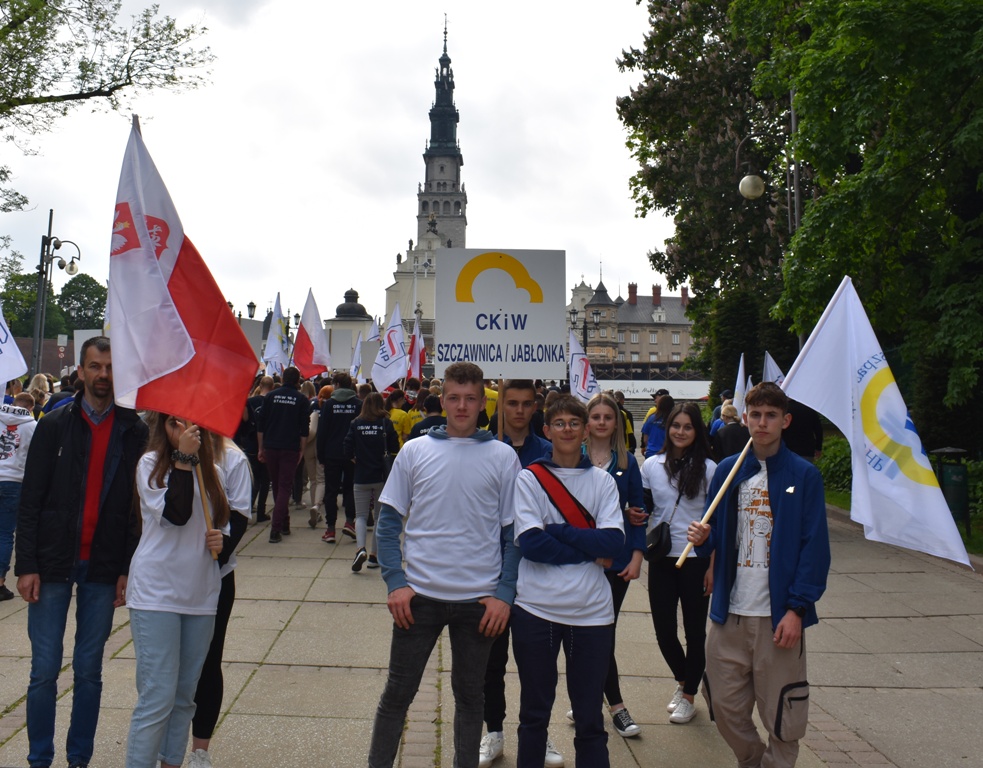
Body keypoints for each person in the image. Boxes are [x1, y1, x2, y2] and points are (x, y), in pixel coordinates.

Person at [368, 362, 521, 768]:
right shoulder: (415, 450)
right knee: (397, 694)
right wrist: (395, 582)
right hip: (418, 598)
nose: (462, 406)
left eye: (471, 398)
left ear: (482, 401)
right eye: (454, 397)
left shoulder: (503, 456)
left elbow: (513, 535)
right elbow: (387, 523)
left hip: (479, 602)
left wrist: (504, 594)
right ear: (442, 399)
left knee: (471, 698)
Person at [16, 336, 149, 768]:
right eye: (95, 366)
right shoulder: (54, 424)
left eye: (110, 368)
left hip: (104, 565)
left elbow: (137, 506)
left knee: (89, 671)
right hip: (52, 563)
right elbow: (31, 499)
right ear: (81, 369)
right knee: (44, 672)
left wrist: (128, 567)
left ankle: (79, 758)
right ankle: (40, 758)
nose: (103, 375)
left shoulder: (134, 430)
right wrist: (27, 565)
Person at [687, 382, 831, 768]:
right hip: (729, 612)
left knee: (784, 714)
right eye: (755, 415)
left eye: (770, 416)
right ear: (745, 417)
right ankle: (753, 761)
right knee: (723, 703)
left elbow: (814, 549)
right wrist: (704, 538)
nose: (762, 423)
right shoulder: (728, 471)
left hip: (777, 616)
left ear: (785, 421)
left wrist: (797, 609)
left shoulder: (804, 476)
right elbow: (716, 533)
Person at [511, 395, 624, 768]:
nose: (567, 430)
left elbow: (614, 542)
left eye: (575, 423)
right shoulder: (529, 478)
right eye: (559, 423)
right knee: (534, 714)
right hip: (535, 610)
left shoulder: (603, 481)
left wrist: (557, 530)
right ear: (546, 430)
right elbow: (531, 544)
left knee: (590, 718)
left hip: (591, 614)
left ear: (587, 429)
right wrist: (590, 550)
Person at [125, 414, 228, 768]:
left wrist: (222, 539)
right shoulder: (151, 464)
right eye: (174, 423)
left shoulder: (212, 467)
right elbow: (176, 515)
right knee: (157, 697)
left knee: (185, 696)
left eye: (190, 423)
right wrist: (184, 460)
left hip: (200, 594)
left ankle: (171, 762)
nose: (183, 430)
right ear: (161, 427)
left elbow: (221, 522)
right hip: (157, 593)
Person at [477, 380, 559, 768]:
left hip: (535, 569)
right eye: (513, 403)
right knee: (491, 660)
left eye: (527, 404)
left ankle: (536, 734)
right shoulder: (482, 447)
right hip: (491, 567)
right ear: (501, 405)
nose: (520, 411)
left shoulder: (549, 452)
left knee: (535, 662)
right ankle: (493, 730)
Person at [572, 392, 645, 738]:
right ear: (587, 422)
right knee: (580, 634)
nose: (601, 422)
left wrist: (637, 555)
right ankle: (588, 698)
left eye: (608, 417)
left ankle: (616, 706)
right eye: (595, 416)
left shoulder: (627, 462)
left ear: (617, 422)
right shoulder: (572, 458)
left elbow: (640, 513)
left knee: (604, 632)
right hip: (580, 559)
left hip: (616, 562)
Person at [641, 402, 717, 724]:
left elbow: (718, 521)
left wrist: (712, 565)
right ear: (667, 427)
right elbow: (645, 507)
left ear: (696, 431)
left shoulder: (710, 469)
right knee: (663, 631)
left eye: (688, 426)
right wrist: (635, 514)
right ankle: (687, 679)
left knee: (695, 631)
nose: (681, 432)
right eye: (676, 426)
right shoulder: (651, 466)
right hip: (661, 558)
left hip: (696, 559)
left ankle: (688, 697)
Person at [188, 434, 253, 768]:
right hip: (169, 577)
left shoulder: (232, 457)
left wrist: (220, 550)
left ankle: (200, 749)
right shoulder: (160, 452)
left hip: (216, 576)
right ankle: (167, 742)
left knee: (208, 662)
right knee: (169, 668)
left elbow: (240, 514)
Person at [342, 393, 399, 572]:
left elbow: (347, 448)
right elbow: (395, 447)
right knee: (379, 518)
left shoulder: (356, 423)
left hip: (361, 475)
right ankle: (374, 555)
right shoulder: (385, 423)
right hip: (381, 476)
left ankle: (360, 549)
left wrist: (355, 460)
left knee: (360, 515)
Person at [257, 366, 309, 543]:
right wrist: (302, 449)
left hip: (271, 446)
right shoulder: (301, 399)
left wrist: (260, 447)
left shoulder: (270, 396)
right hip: (290, 447)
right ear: (297, 380)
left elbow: (261, 425)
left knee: (278, 486)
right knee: (285, 487)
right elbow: (304, 429)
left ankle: (284, 523)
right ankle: (276, 528)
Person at [0, 395, 38, 600]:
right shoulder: (32, 425)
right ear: (31, 407)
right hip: (14, 480)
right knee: (5, 533)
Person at [317, 372, 360, 543]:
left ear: (336, 384)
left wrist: (321, 454)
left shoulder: (329, 405)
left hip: (331, 453)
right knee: (350, 489)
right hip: (352, 455)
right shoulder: (358, 404)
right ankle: (350, 522)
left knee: (331, 491)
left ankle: (330, 529)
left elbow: (322, 432)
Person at [237, 376, 272, 522]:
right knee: (265, 480)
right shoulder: (271, 402)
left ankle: (248, 507)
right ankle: (261, 511)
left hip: (250, 444)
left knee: (253, 479)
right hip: (266, 444)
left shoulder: (251, 401)